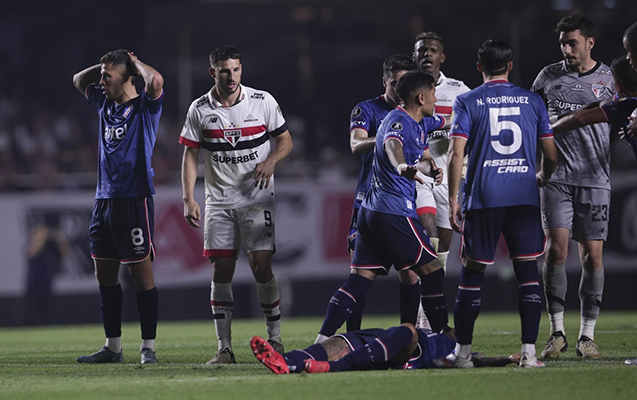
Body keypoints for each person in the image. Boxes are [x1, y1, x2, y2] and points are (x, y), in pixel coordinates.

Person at [434, 40, 557, 369]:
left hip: (484, 198)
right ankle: (529, 354)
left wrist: (453, 199)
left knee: (471, 275)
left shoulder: (467, 100)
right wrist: (541, 176)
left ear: (479, 67)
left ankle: (462, 355)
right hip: (522, 197)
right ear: (510, 66)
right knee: (528, 273)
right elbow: (551, 154)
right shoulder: (532, 101)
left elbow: (456, 152)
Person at [180, 45, 293, 364]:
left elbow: (286, 140)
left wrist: (271, 160)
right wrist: (189, 196)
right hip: (218, 203)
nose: (231, 76)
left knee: (261, 267)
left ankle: (275, 339)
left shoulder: (262, 101)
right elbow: (189, 154)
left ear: (241, 69)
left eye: (236, 69)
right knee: (221, 271)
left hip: (257, 201)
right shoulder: (200, 109)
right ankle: (224, 348)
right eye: (224, 70)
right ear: (212, 72)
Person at [314, 71, 447, 344]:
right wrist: (400, 165)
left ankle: (321, 342)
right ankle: (440, 341)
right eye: (434, 94)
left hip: (372, 212)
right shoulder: (397, 121)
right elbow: (392, 145)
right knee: (433, 271)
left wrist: (429, 166)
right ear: (421, 97)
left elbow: (444, 125)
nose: (437, 98)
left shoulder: (420, 120)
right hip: (393, 210)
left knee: (359, 280)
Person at [531, 14, 616, 360]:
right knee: (556, 250)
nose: (567, 49)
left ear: (589, 43)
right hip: (557, 178)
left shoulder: (609, 78)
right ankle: (556, 332)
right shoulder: (547, 78)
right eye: (563, 43)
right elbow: (532, 120)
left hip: (596, 179)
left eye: (573, 42)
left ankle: (587, 336)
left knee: (592, 257)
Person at [72, 50, 164, 364]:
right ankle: (113, 347)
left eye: (108, 77)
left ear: (127, 77)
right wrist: (102, 66)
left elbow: (156, 80)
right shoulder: (104, 103)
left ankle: (148, 347)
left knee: (141, 276)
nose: (101, 82)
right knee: (104, 276)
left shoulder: (144, 108)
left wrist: (133, 62)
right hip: (104, 201)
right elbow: (77, 80)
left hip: (134, 199)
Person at [346, 54, 439, 333]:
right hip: (368, 198)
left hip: (402, 199)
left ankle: (408, 335)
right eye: (396, 83)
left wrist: (429, 163)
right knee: (359, 276)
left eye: (405, 83)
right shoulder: (367, 110)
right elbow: (355, 144)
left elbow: (422, 149)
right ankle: (352, 336)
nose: (401, 89)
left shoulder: (415, 116)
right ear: (385, 81)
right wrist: (389, 133)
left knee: (410, 273)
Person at [412, 31, 471, 332]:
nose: (427, 54)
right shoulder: (405, 88)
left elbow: (475, 122)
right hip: (417, 176)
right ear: (415, 56)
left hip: (449, 178)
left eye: (433, 49)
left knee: (442, 247)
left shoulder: (459, 90)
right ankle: (420, 318)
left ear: (442, 56)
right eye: (422, 50)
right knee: (426, 242)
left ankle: (427, 313)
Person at [251, 323, 519, 374]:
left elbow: (478, 360)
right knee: (337, 343)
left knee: (407, 331)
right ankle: (284, 362)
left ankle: (328, 368)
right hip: (380, 340)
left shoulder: (456, 348)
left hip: (410, 351)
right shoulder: (439, 331)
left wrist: (507, 358)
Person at [550, 57, 637, 160]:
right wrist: (555, 119)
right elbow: (600, 104)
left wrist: (545, 131)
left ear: (617, 85)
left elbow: (579, 119)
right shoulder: (622, 101)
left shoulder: (626, 104)